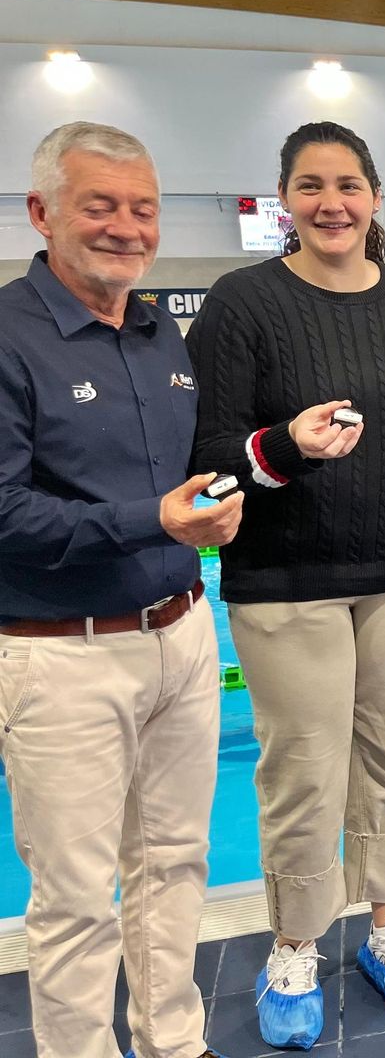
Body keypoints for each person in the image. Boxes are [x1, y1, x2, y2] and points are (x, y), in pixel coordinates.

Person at [186, 122, 385, 1049]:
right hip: (286, 577)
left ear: (376, 198)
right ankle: (296, 945)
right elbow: (210, 448)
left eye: (348, 185)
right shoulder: (241, 303)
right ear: (283, 202)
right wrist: (283, 449)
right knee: (303, 771)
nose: (331, 203)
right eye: (310, 186)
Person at [0, 122, 241, 1058]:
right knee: (72, 900)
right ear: (42, 213)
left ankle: (173, 1042)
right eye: (99, 206)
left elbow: (183, 482)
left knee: (175, 864)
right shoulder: (9, 339)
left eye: (142, 209)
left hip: (179, 636)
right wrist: (157, 521)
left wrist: (228, 499)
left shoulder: (157, 331)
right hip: (60, 656)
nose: (125, 228)